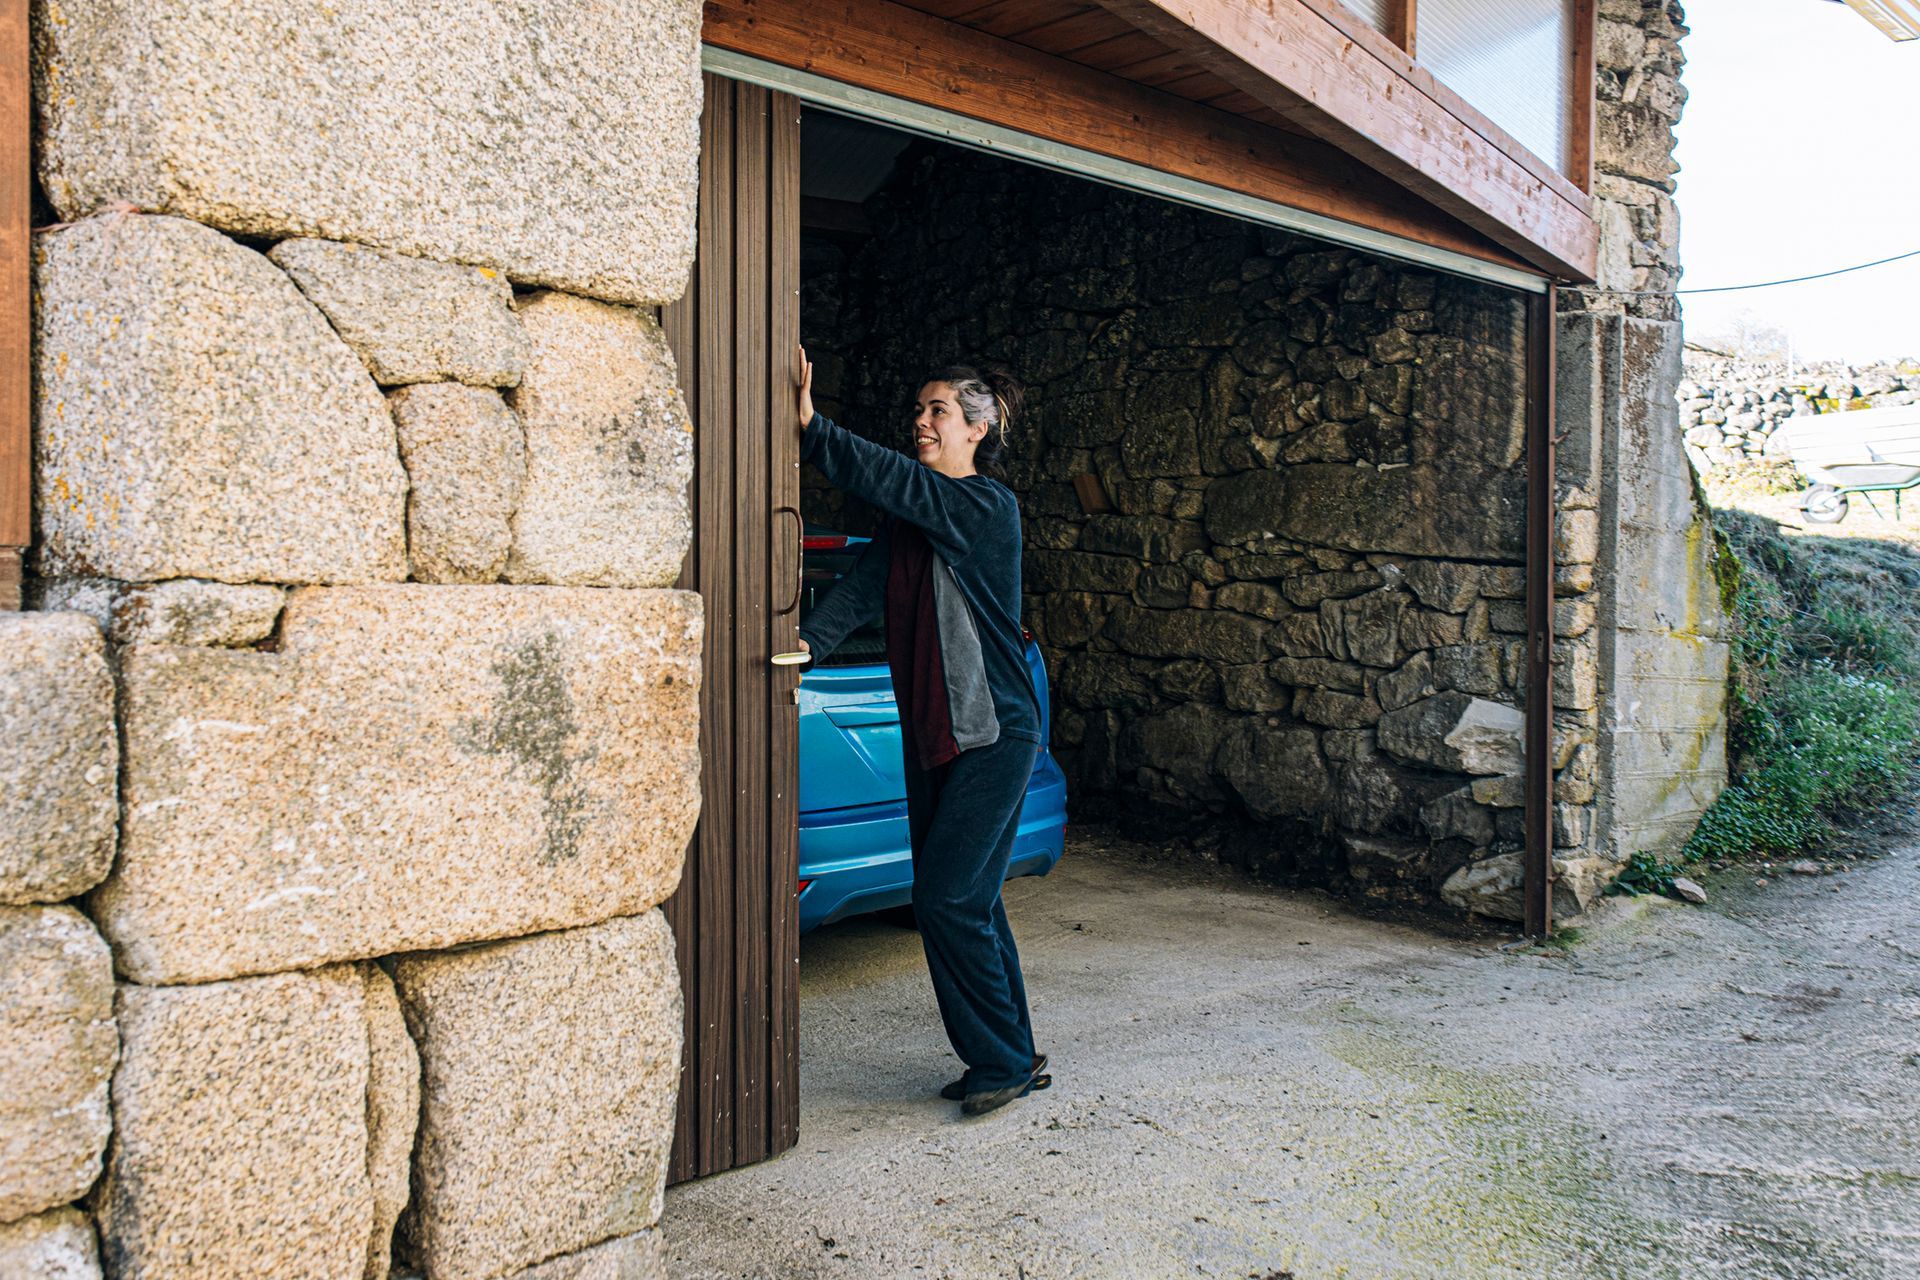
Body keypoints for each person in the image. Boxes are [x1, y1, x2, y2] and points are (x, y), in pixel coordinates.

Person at [788, 347, 1051, 1118]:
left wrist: (812, 428)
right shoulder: (914, 517)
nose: (921, 421)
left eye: (937, 410)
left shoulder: (984, 507)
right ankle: (1014, 1052)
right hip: (939, 736)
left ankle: (999, 1060)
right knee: (975, 900)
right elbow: (868, 584)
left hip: (994, 736)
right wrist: (812, 643)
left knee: (945, 899)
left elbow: (896, 481)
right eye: (920, 410)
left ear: (979, 428)